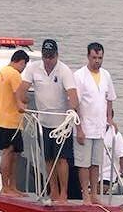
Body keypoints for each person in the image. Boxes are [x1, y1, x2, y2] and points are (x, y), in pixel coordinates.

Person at [16, 39, 78, 202]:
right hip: (43, 122)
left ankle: (64, 193)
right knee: (48, 158)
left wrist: (72, 109)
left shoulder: (64, 70)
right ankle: (54, 191)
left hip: (61, 124)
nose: (48, 60)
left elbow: (73, 95)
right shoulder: (33, 68)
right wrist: (21, 102)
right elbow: (21, 90)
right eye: (45, 56)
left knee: (62, 159)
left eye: (51, 56)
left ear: (56, 55)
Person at [73, 42, 116, 204]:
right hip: (84, 127)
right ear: (88, 57)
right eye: (94, 57)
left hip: (99, 128)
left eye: (100, 58)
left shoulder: (106, 75)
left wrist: (109, 120)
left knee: (96, 163)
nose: (97, 61)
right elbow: (75, 103)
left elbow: (110, 98)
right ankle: (85, 194)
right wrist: (79, 128)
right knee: (83, 163)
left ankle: (94, 194)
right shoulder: (79, 76)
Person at [0, 49, 30, 197]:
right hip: (10, 121)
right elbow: (20, 96)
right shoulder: (14, 74)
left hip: (0, 118)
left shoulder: (0, 73)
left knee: (14, 154)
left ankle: (12, 186)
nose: (23, 69)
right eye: (24, 66)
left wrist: (4, 100)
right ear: (20, 61)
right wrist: (25, 102)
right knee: (8, 153)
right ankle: (6, 187)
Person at [101, 111, 123, 194]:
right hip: (90, 171)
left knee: (102, 189)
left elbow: (122, 154)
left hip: (107, 173)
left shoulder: (115, 134)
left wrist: (122, 169)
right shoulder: (90, 131)